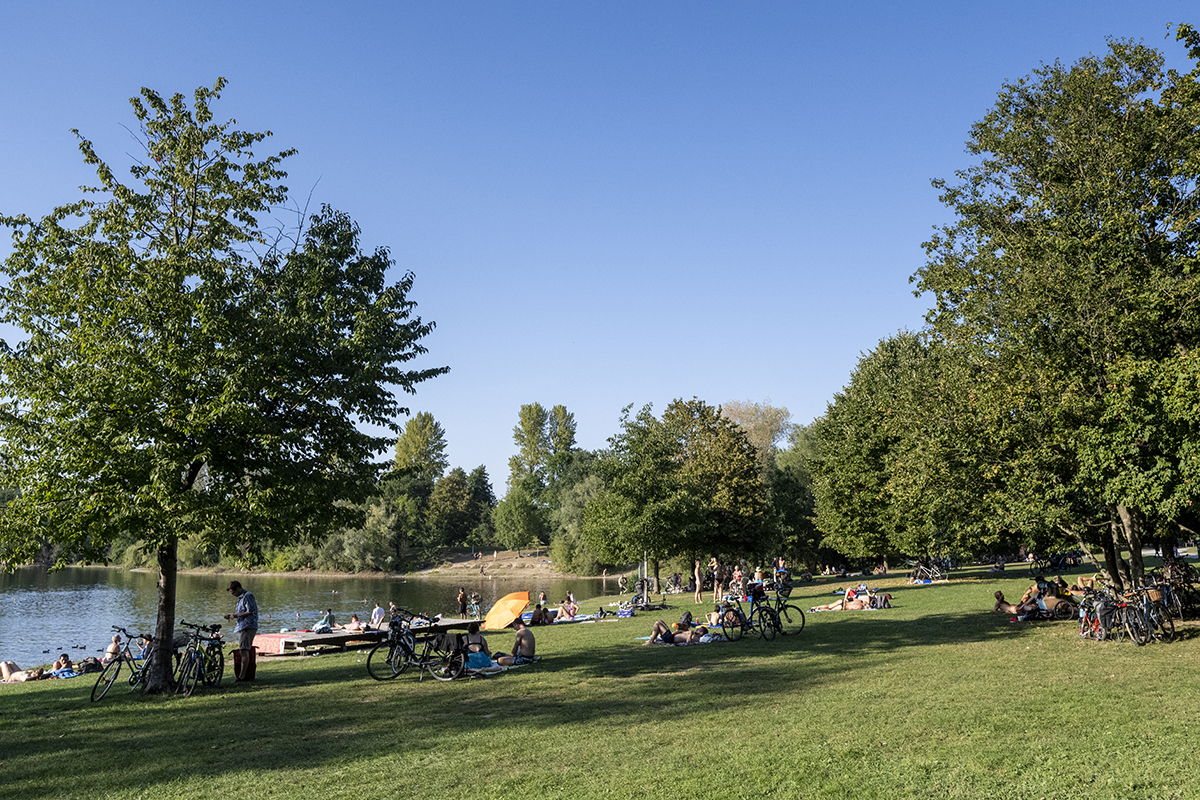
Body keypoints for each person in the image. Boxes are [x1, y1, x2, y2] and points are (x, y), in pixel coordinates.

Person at [224, 580, 259, 681]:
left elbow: (250, 611)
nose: (233, 595)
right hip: (243, 626)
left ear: (238, 589)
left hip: (248, 626)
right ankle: (243, 675)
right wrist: (233, 616)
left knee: (244, 650)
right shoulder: (241, 598)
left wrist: (235, 615)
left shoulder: (248, 596)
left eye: (233, 592)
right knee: (243, 649)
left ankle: (242, 676)